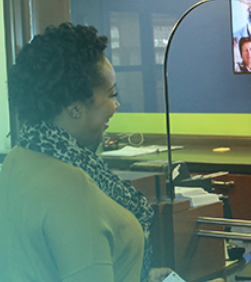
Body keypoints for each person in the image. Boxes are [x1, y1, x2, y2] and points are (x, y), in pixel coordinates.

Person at [0, 23, 171, 282]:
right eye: (111, 94)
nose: (116, 105)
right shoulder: (70, 185)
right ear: (75, 107)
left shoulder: (19, 158)